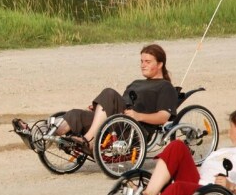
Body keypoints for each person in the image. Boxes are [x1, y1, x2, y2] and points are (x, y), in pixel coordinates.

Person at [13, 44, 178, 153]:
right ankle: (40, 138)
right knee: (75, 114)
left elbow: (164, 117)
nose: (143, 65)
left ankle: (89, 140)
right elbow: (119, 102)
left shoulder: (165, 87)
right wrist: (100, 108)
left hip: (133, 129)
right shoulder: (136, 82)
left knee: (109, 93)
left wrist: (138, 116)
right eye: (141, 61)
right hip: (116, 121)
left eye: (148, 61)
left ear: (160, 64)